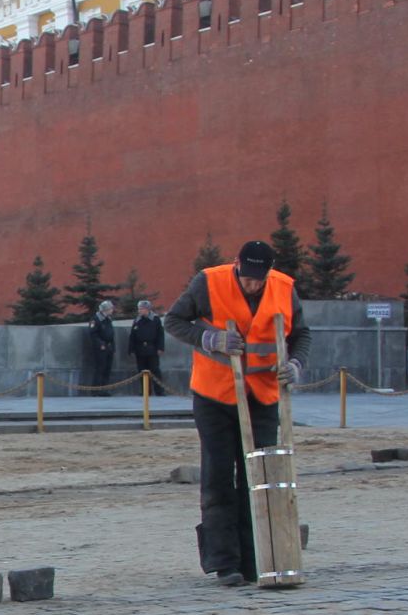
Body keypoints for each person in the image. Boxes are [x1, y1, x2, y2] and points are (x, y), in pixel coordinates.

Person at [164, 240, 312, 586]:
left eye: (259, 279)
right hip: (214, 394)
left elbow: (302, 335)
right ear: (237, 265)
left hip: (262, 395)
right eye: (247, 278)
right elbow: (173, 321)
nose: (253, 284)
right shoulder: (208, 281)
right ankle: (224, 562)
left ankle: (257, 557)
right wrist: (209, 339)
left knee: (258, 476)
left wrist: (295, 363)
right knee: (218, 475)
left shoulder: (284, 287)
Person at [128, 299, 166, 390]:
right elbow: (132, 336)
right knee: (142, 371)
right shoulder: (137, 320)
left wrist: (160, 348)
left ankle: (159, 390)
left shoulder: (155, 320)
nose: (139, 311)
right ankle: (145, 391)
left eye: (141, 309)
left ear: (147, 309)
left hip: (152, 348)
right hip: (140, 349)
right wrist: (131, 349)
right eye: (139, 309)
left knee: (155, 370)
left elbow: (160, 335)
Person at [86, 300, 116, 389]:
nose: (112, 311)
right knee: (100, 368)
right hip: (100, 348)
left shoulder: (108, 319)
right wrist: (101, 344)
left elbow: (111, 334)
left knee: (107, 369)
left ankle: (104, 388)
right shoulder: (96, 319)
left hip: (109, 346)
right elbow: (93, 334)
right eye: (111, 309)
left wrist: (113, 348)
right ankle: (96, 389)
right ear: (105, 310)